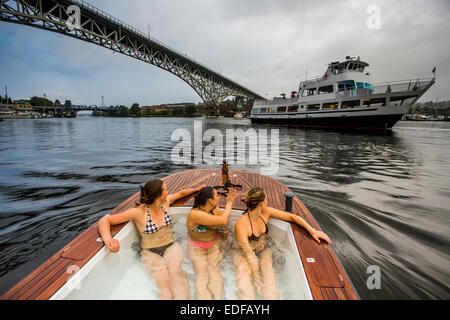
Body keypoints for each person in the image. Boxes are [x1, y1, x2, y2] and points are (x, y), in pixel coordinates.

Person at [98, 180, 205, 300]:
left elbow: (180, 194)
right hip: (150, 251)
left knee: (177, 278)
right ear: (158, 195)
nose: (168, 192)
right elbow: (105, 221)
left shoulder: (165, 204)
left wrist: (197, 189)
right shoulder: (138, 213)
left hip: (171, 246)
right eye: (165, 189)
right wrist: (109, 241)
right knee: (163, 285)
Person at [233, 187, 332, 300]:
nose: (267, 201)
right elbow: (249, 254)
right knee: (243, 272)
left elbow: (292, 217)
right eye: (266, 199)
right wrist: (257, 280)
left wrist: (313, 231)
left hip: (263, 248)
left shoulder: (266, 212)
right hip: (244, 253)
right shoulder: (241, 225)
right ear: (261, 203)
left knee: (268, 269)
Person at [186, 187, 236, 300]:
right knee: (201, 273)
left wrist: (228, 245)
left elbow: (224, 224)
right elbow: (223, 220)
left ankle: (217, 298)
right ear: (210, 200)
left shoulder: (214, 210)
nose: (218, 198)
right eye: (216, 195)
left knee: (214, 269)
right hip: (196, 245)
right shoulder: (195, 214)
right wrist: (229, 203)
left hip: (214, 242)